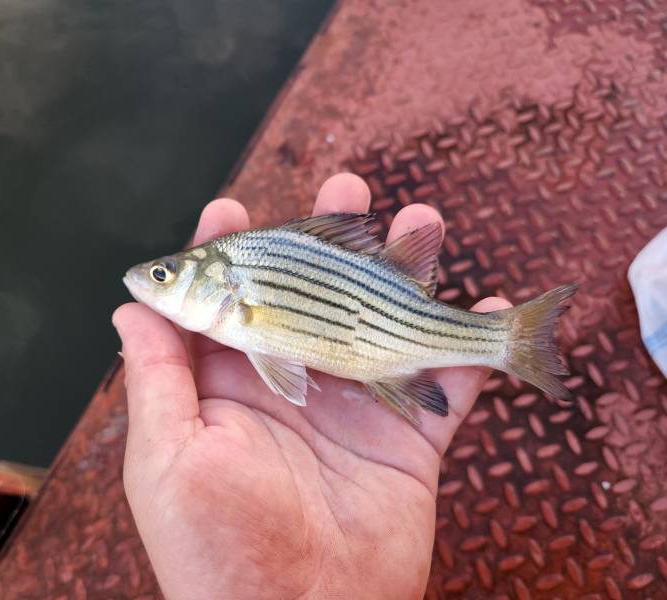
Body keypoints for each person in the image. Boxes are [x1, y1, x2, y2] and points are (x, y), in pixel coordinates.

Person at [112, 173, 511, 599]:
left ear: (221, 282)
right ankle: (498, 340)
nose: (149, 280)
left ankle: (503, 341)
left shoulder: (238, 287)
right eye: (162, 275)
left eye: (162, 275)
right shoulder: (236, 290)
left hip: (381, 342)